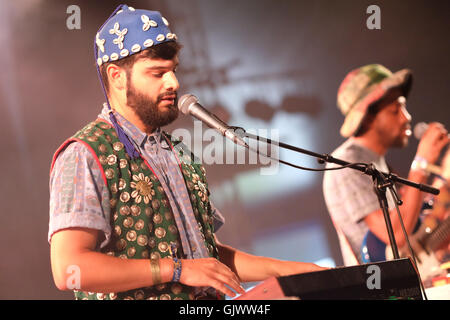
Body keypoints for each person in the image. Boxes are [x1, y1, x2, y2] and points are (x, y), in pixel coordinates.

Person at [48, 4, 324, 300]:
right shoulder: (85, 154)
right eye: (157, 73)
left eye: (173, 71)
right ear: (117, 76)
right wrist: (176, 269)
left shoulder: (178, 151)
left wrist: (290, 270)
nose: (174, 83)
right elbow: (68, 268)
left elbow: (205, 257)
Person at [322, 64, 449, 266]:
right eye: (395, 109)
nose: (406, 118)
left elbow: (412, 239)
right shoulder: (346, 165)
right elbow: (396, 235)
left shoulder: (380, 165)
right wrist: (422, 162)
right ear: (368, 118)